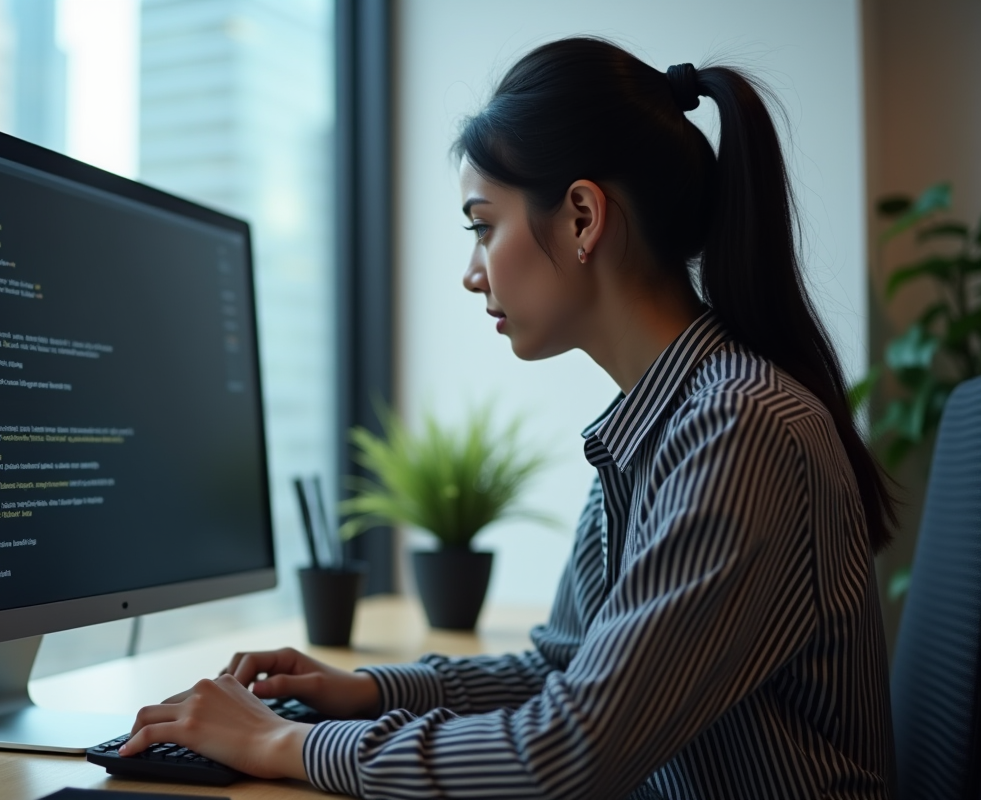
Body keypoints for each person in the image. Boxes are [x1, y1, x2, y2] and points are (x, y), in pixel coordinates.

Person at [118, 37, 897, 799]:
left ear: (584, 218)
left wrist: (279, 741)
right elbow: (562, 670)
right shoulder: (658, 424)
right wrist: (361, 691)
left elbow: (567, 754)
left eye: (483, 226)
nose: (471, 271)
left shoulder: (740, 430)